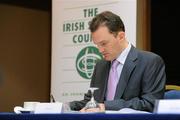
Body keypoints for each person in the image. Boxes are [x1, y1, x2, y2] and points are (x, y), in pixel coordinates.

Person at [69, 11, 166, 112]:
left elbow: (150, 104)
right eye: (97, 45)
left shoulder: (150, 62)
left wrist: (106, 106)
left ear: (121, 36)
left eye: (104, 43)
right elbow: (91, 101)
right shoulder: (100, 65)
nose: (100, 50)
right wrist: (66, 106)